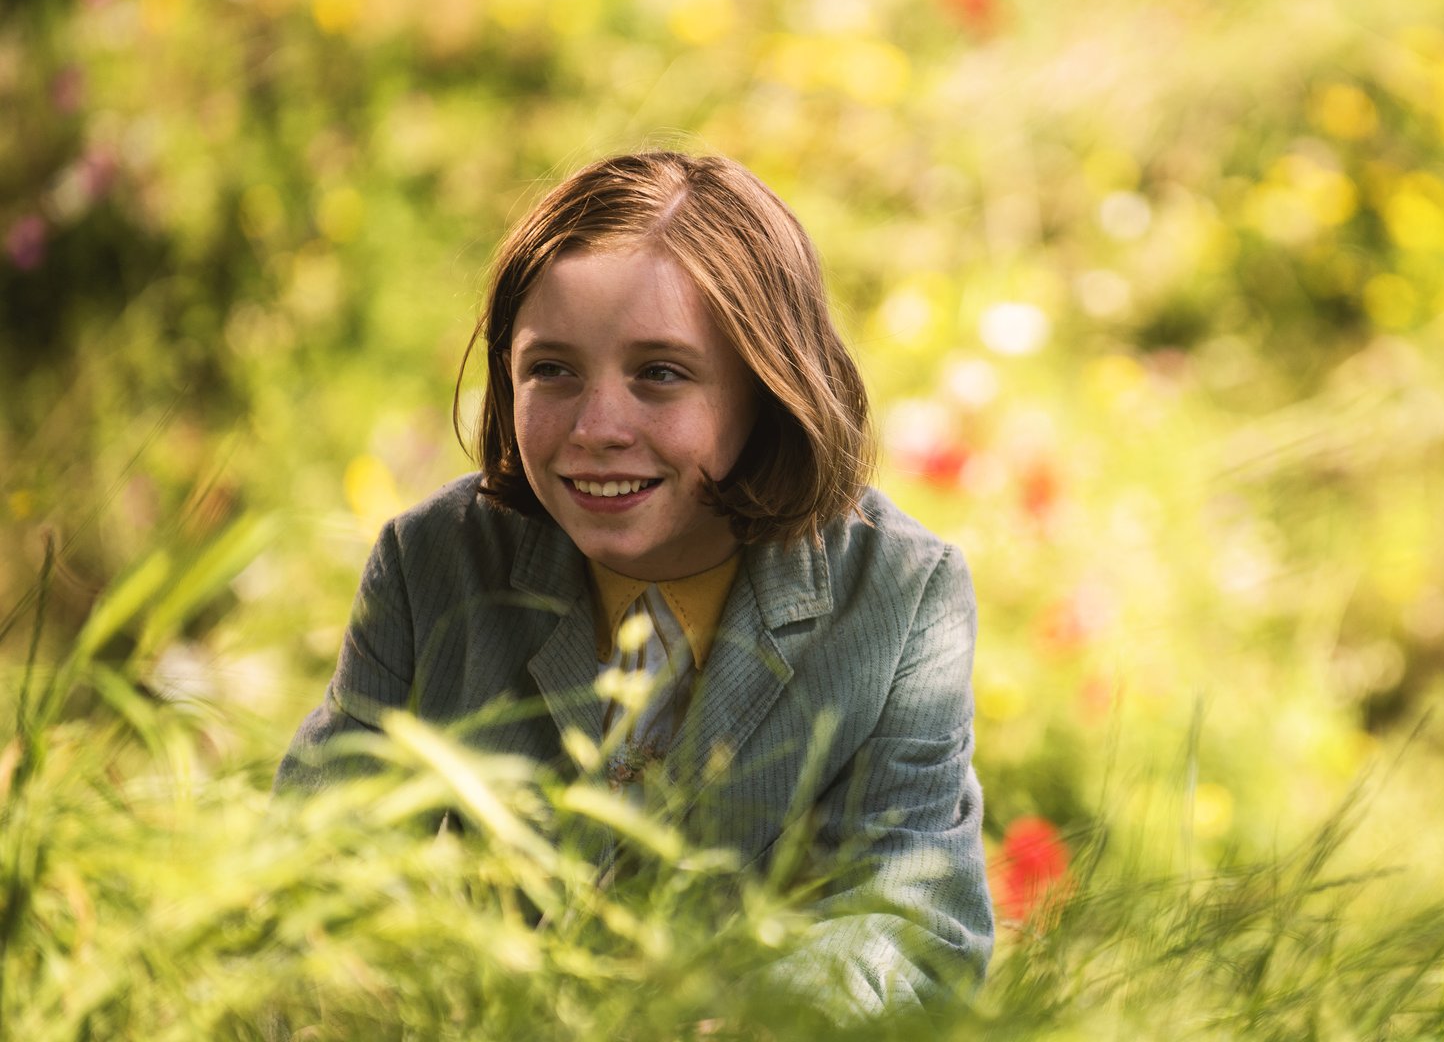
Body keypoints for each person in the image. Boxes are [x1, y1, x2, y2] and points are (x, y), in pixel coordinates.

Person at [276, 151, 994, 1014]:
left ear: (766, 388)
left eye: (660, 373)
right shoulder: (433, 564)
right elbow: (312, 860)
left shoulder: (900, 596)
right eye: (553, 370)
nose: (597, 427)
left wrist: (720, 1014)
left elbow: (917, 919)